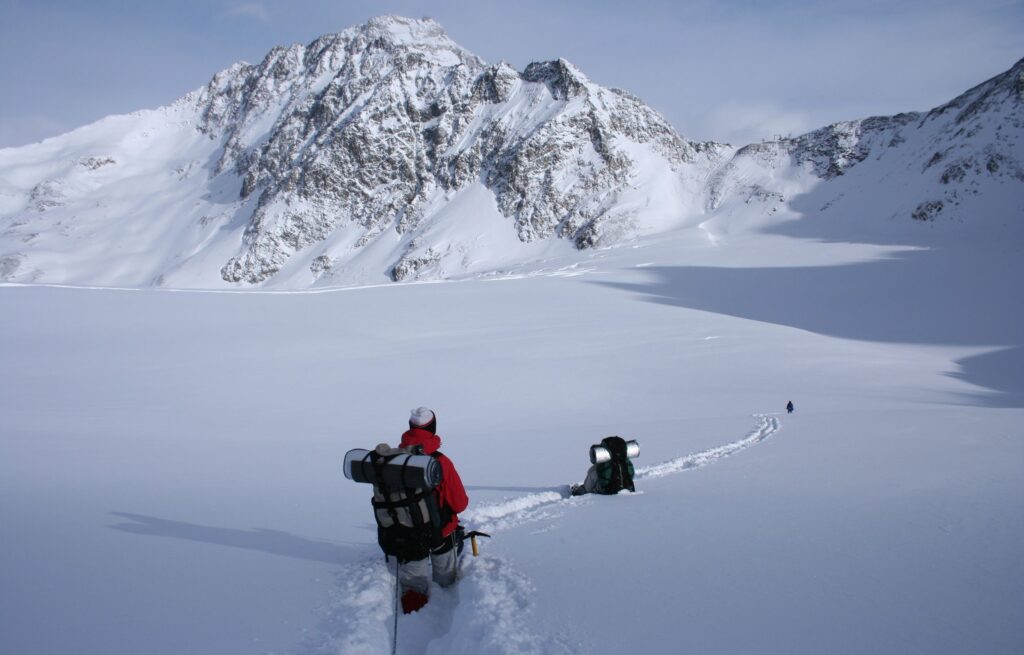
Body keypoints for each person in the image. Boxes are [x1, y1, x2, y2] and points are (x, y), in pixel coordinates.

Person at [395, 407, 468, 614]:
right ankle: (447, 612)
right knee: (447, 582)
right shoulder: (441, 461)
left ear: (410, 427)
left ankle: (414, 614)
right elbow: (460, 503)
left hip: (406, 533)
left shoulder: (394, 460)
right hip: (440, 533)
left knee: (412, 589)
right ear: (433, 428)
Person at [570, 436, 636, 496]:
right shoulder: (627, 463)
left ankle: (577, 491)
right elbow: (631, 475)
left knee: (591, 478)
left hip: (607, 492)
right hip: (627, 488)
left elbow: (588, 487)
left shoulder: (595, 469)